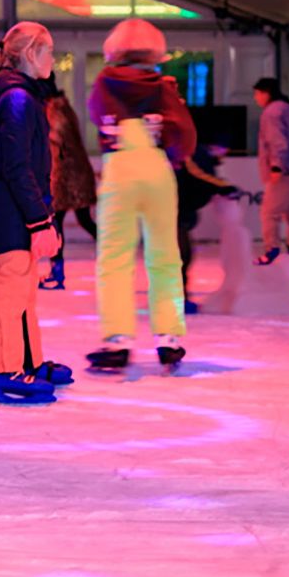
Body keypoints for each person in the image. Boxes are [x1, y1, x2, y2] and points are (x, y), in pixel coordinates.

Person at [85, 19, 196, 374]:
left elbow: (92, 111)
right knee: (164, 255)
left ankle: (118, 339)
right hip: (156, 167)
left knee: (114, 257)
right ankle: (169, 338)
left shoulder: (105, 82)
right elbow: (186, 133)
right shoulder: (163, 86)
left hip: (119, 167)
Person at [0, 22, 68, 405]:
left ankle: (28, 360)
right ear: (31, 54)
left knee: (25, 289)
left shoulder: (21, 96)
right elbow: (16, 167)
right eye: (48, 52)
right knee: (11, 291)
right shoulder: (16, 99)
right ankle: (3, 369)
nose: (52, 60)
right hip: (13, 210)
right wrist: (39, 219)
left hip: (14, 208)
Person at [39, 74, 98, 290]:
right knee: (81, 221)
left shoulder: (55, 109)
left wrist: (41, 135)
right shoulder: (61, 106)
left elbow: (58, 135)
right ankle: (114, 257)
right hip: (73, 175)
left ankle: (57, 272)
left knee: (56, 224)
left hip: (66, 177)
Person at [252, 77, 289, 270]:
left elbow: (277, 141)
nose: (256, 98)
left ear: (265, 93)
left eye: (257, 94)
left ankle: (271, 250)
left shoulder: (272, 112)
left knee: (270, 212)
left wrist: (276, 166)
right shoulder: (288, 108)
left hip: (285, 170)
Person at [177, 136, 239, 313]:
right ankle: (176, 299)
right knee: (180, 255)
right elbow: (199, 175)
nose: (223, 157)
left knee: (182, 255)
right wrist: (223, 186)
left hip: (178, 209)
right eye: (222, 152)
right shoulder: (194, 153)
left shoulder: (200, 156)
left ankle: (178, 297)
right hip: (170, 209)